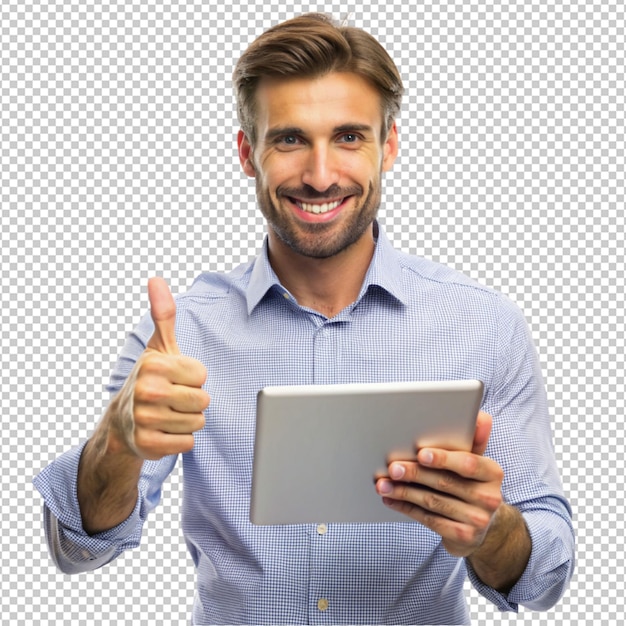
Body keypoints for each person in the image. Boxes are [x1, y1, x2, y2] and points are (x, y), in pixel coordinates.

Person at [34, 13, 574, 625]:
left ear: (388, 146)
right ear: (247, 153)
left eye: (348, 137)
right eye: (290, 139)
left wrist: (491, 531)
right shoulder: (180, 336)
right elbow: (76, 549)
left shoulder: (484, 325)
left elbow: (548, 572)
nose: (320, 175)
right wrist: (117, 440)